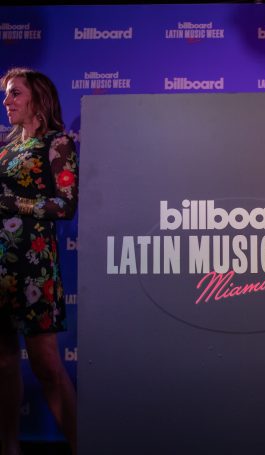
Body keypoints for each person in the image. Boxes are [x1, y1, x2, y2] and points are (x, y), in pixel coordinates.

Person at [0, 68, 78, 455]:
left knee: (46, 365)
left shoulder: (57, 142)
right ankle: (9, 447)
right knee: (3, 363)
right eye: (5, 94)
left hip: (34, 266)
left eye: (15, 93)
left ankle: (80, 445)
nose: (6, 101)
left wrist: (15, 203)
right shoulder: (6, 148)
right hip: (1, 267)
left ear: (38, 98)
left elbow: (65, 205)